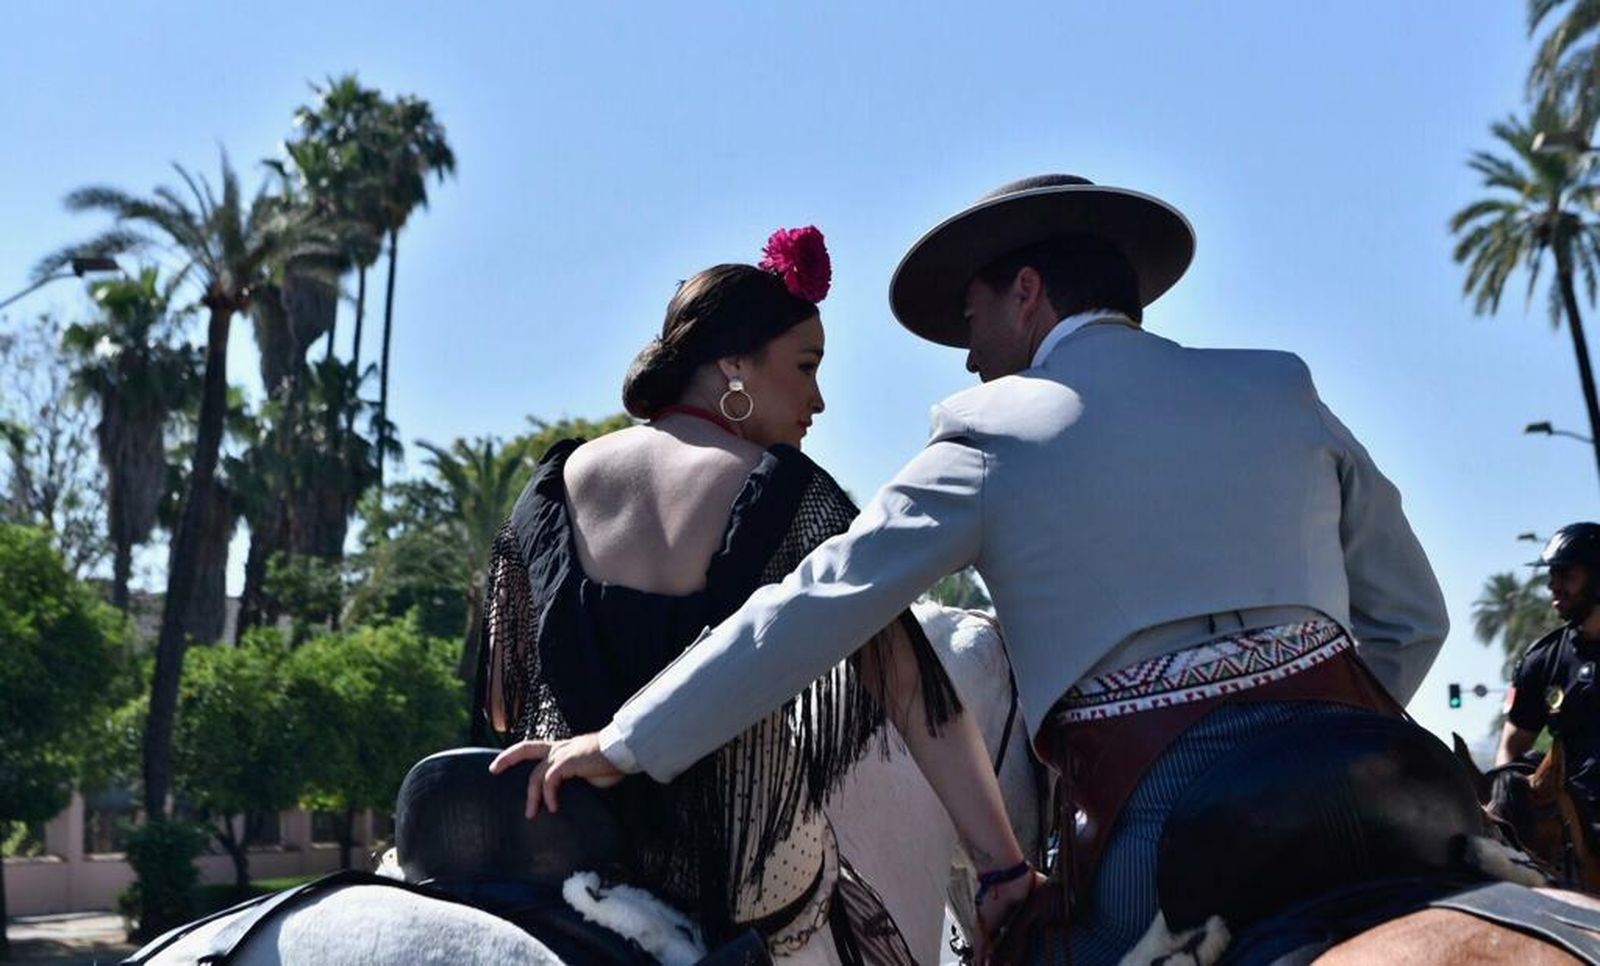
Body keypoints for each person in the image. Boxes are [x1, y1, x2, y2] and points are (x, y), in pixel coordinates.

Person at [494, 176, 1451, 963]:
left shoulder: (990, 433)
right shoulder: (1278, 383)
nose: (967, 350)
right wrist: (1321, 727)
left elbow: (819, 605)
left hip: (1165, 815)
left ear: (1027, 291)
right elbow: (1412, 617)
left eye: (972, 313)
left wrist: (622, 742)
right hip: (1374, 773)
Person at [480, 226, 1028, 963]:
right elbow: (911, 695)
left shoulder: (547, 491)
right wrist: (1002, 868)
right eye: (806, 367)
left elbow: (503, 705)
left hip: (562, 858)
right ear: (733, 365)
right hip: (732, 892)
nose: (820, 399)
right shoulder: (790, 496)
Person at [1498, 524, 1600, 819]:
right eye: (1551, 575)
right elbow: (1510, 752)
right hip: (1575, 831)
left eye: (1566, 575)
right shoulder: (1542, 661)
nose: (1553, 586)